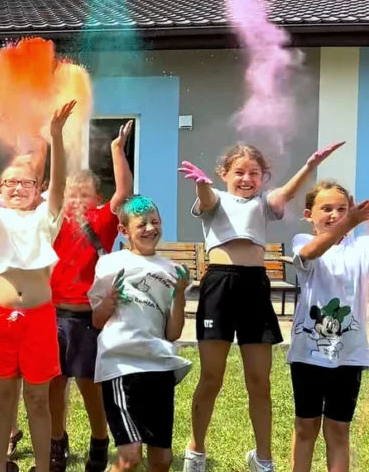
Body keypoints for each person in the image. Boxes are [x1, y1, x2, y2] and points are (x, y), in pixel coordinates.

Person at [180, 141, 343, 472]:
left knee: (260, 380)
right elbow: (208, 200)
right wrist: (202, 185)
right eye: (238, 172)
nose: (246, 178)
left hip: (254, 288)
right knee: (212, 377)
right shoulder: (216, 198)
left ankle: (263, 458)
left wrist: (310, 164)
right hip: (219, 286)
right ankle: (195, 450)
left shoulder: (263, 204)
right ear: (224, 174)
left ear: (262, 178)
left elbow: (286, 192)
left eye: (254, 173)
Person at [0, 101, 75, 472]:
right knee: (3, 400)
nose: (16, 187)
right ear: (1, 189)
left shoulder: (46, 217)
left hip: (39, 319)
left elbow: (58, 186)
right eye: (9, 182)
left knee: (39, 400)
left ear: (37, 188)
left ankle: (42, 467)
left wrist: (56, 138)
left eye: (25, 182)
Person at [47, 120, 134, 472]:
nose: (77, 199)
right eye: (72, 194)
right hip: (52, 313)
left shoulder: (102, 219)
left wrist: (117, 150)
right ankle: (56, 440)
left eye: (85, 194)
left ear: (97, 199)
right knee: (54, 383)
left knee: (88, 383)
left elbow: (124, 193)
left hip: (87, 315)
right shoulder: (52, 220)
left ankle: (99, 439)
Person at [89, 196, 192, 472]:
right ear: (124, 231)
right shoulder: (111, 264)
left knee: (162, 460)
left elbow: (173, 332)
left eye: (155, 222)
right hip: (121, 366)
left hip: (158, 367)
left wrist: (180, 294)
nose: (150, 228)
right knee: (130, 456)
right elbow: (97, 321)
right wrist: (108, 300)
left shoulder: (171, 270)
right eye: (141, 224)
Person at [288, 181, 369, 472]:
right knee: (305, 427)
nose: (335, 214)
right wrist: (351, 220)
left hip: (349, 355)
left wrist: (357, 223)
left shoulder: (361, 247)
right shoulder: (301, 241)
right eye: (327, 208)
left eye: (342, 208)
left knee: (338, 430)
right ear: (309, 215)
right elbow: (311, 253)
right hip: (308, 354)